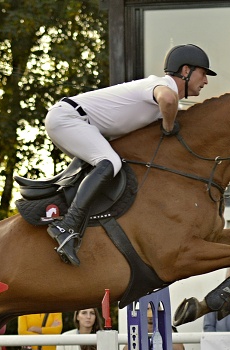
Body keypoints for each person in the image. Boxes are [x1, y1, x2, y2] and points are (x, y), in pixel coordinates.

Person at [45, 44, 217, 266]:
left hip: (76, 122)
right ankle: (66, 226)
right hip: (69, 118)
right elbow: (168, 100)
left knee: (114, 168)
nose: (206, 81)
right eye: (203, 74)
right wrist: (168, 126)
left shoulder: (162, 96)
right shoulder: (163, 86)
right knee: (110, 162)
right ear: (186, 71)